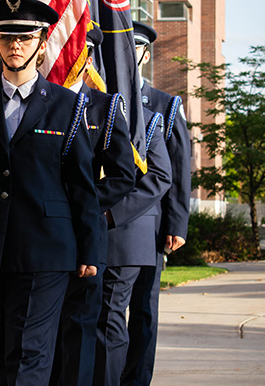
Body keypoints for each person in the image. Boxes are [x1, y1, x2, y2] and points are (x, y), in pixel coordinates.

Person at [0, 0, 101, 386]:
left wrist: (91, 248)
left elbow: (82, 184)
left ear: (42, 43)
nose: (14, 46)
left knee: (28, 357)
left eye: (25, 38)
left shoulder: (67, 106)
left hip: (44, 250)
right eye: (5, 37)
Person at [51, 25, 135, 386]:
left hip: (84, 235)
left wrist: (79, 204)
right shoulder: (40, 102)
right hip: (40, 235)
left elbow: (122, 174)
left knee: (81, 330)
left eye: (77, 49)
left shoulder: (104, 106)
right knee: (41, 332)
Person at [118, 21, 192, 386]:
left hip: (152, 225)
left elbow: (178, 169)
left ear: (145, 54)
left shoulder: (165, 104)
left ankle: (137, 379)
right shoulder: (104, 100)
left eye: (135, 49)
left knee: (144, 310)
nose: (128, 55)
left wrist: (177, 225)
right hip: (110, 225)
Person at [94, 107, 172, 385]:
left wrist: (109, 214)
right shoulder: (70, 107)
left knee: (108, 318)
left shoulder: (146, 118)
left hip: (123, 232)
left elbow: (161, 176)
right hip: (70, 231)